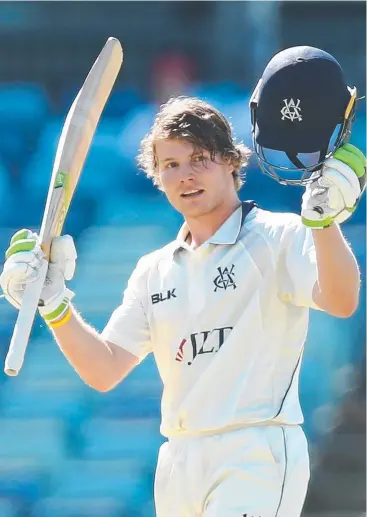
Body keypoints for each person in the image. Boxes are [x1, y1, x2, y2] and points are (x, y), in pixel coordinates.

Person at [0, 46, 365, 517]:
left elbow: (341, 300)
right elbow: (105, 369)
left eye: (199, 159)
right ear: (157, 177)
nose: (185, 175)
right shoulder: (153, 270)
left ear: (232, 162)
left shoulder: (278, 236)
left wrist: (323, 224)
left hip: (255, 451)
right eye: (170, 164)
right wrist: (53, 302)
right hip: (177, 462)